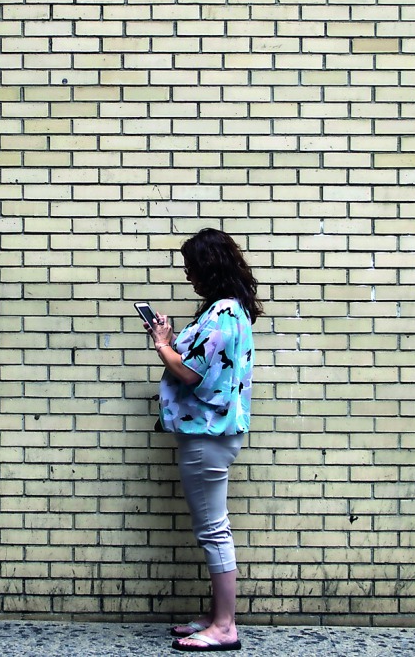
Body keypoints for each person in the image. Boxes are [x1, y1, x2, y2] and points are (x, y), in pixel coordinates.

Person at [143, 228, 262, 653]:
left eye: (193, 268)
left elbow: (190, 375)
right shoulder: (230, 312)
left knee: (213, 529)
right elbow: (203, 365)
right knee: (213, 527)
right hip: (214, 433)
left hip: (207, 435)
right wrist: (174, 341)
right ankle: (216, 617)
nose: (190, 276)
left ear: (210, 268)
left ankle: (225, 627)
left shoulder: (222, 314)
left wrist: (161, 345)